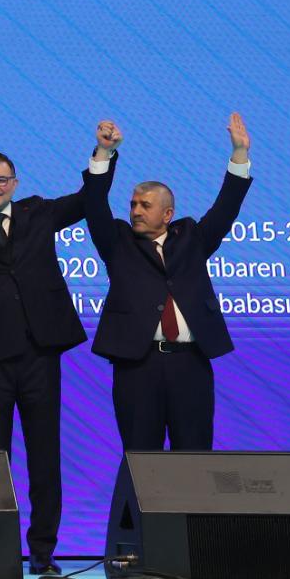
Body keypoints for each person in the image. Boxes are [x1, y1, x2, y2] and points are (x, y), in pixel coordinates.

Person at [0, 129, 101, 576]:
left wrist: (103, 154)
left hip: (38, 354)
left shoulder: (38, 213)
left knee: (45, 456)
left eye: (0, 179)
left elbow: (88, 198)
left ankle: (44, 551)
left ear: (14, 182)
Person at [86, 114, 253, 451]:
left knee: (194, 457)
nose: (135, 211)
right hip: (137, 366)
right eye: (133, 204)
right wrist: (104, 153)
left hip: (190, 364)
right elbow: (94, 204)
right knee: (141, 457)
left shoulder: (192, 239)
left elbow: (226, 208)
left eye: (145, 205)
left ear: (167, 214)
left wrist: (239, 154)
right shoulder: (118, 242)